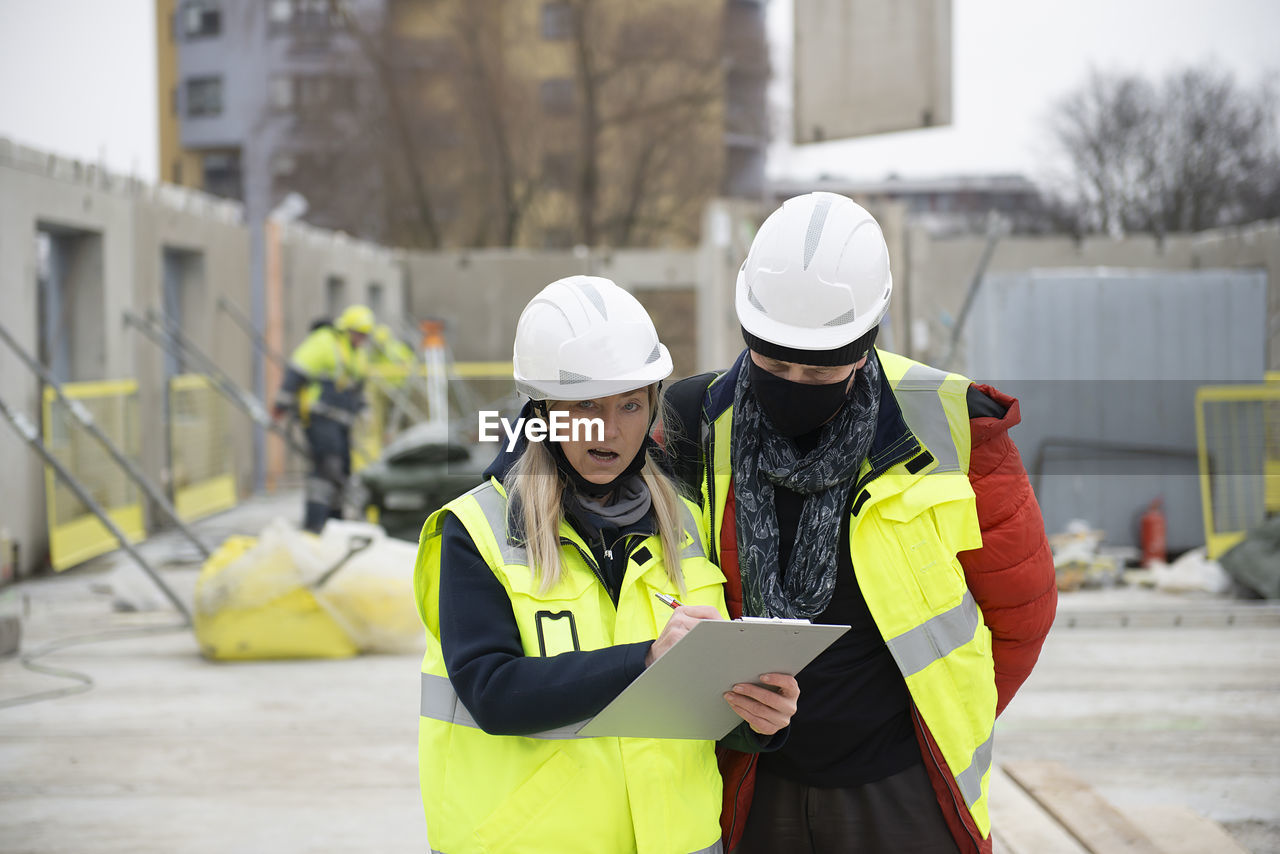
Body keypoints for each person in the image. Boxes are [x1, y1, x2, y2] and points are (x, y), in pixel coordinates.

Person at [660, 193, 1057, 854]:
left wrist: (943, 722)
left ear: (868, 340)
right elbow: (663, 570)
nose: (794, 383)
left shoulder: (952, 425)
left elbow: (1022, 612)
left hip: (902, 793)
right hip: (755, 783)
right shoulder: (696, 419)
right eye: (774, 364)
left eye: (819, 369)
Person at [412, 275, 801, 854]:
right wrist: (643, 659)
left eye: (629, 405)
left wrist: (757, 718)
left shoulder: (685, 523)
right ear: (542, 411)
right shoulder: (479, 531)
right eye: (587, 406)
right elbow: (491, 692)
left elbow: (701, 694)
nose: (610, 430)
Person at [272, 303, 374, 533]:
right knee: (328, 468)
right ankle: (316, 522)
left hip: (341, 422)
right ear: (347, 329)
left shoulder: (357, 352)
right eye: (358, 334)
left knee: (343, 470)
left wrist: (364, 408)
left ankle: (335, 522)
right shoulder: (325, 341)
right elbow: (297, 371)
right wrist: (281, 404)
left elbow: (357, 385)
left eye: (364, 336)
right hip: (320, 417)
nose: (361, 339)